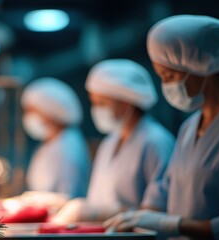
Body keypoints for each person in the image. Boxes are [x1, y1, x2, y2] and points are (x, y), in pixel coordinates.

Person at [104, 15, 219, 240]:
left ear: (202, 66)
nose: (167, 86)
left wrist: (174, 224)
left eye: (169, 76)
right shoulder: (189, 127)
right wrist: (140, 217)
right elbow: (165, 189)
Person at [51, 59, 175, 223]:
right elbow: (97, 200)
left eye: (101, 103)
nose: (96, 110)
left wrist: (109, 213)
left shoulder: (156, 142)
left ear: (125, 104)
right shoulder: (109, 143)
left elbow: (157, 211)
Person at [21, 77, 91, 199]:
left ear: (50, 112)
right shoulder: (50, 143)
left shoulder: (68, 146)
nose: (27, 117)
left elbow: (68, 195)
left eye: (31, 111)